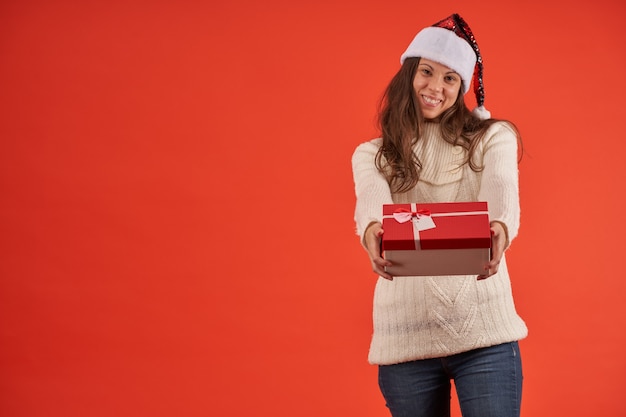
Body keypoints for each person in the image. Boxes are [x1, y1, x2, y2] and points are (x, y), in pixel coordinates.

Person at [351, 13, 528, 417]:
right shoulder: (371, 154)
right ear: (408, 74)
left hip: (486, 335)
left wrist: (499, 226)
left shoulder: (492, 137)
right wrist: (373, 231)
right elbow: (372, 206)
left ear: (462, 87)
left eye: (450, 78)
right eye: (427, 72)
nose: (435, 87)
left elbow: (501, 188)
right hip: (405, 340)